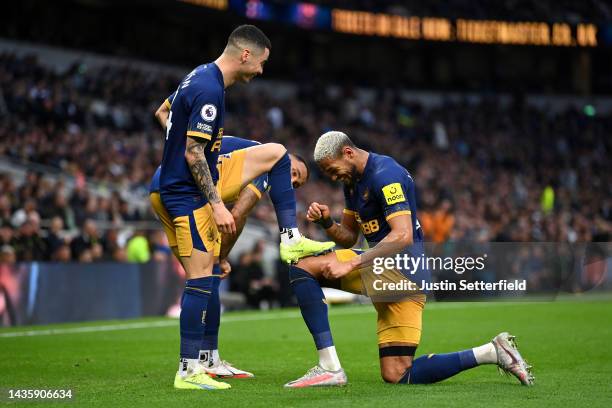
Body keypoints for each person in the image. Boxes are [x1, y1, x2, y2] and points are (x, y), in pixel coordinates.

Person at [155, 24, 331, 391]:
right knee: (277, 153)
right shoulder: (209, 88)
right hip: (186, 193)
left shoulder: (197, 76)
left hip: (170, 186)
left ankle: (205, 360)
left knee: (206, 275)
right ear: (245, 55)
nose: (262, 72)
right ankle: (188, 370)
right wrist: (216, 203)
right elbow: (193, 152)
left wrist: (172, 155)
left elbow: (164, 112)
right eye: (262, 63)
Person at [284, 131, 535, 387]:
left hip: (401, 271)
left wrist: (353, 262)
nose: (332, 177)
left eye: (332, 170)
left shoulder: (385, 175)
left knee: (303, 266)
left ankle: (329, 367)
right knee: (397, 373)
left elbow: (402, 235)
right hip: (402, 279)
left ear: (347, 153)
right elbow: (349, 237)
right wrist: (327, 222)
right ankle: (492, 352)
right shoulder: (353, 182)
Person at [149, 135, 313, 379]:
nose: (290, 181)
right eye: (294, 173)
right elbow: (237, 215)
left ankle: (202, 360)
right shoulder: (268, 159)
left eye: (296, 184)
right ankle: (199, 363)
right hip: (186, 189)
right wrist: (222, 256)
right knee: (206, 278)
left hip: (161, 187)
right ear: (288, 159)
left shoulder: (244, 156)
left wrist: (222, 256)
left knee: (199, 278)